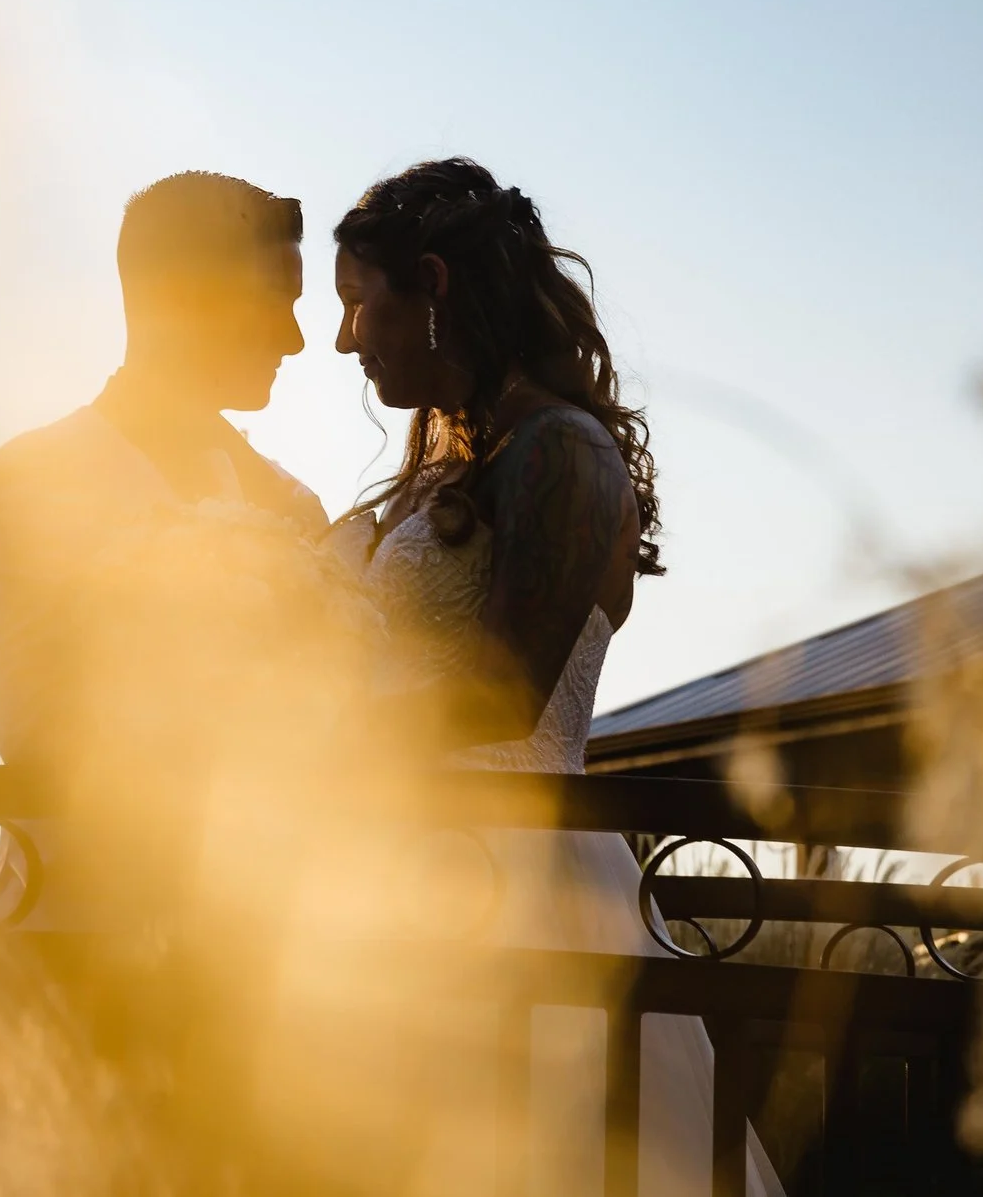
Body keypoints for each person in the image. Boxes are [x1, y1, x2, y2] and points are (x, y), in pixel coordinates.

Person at [331, 157, 782, 1197]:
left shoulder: (563, 451)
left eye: (360, 302)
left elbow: (499, 695)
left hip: (514, 879)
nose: (347, 337)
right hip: (407, 863)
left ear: (433, 283)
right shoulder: (447, 459)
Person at [0, 170, 328, 794]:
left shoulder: (292, 505)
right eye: (273, 302)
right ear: (187, 299)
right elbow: (32, 732)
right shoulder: (30, 481)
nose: (294, 340)